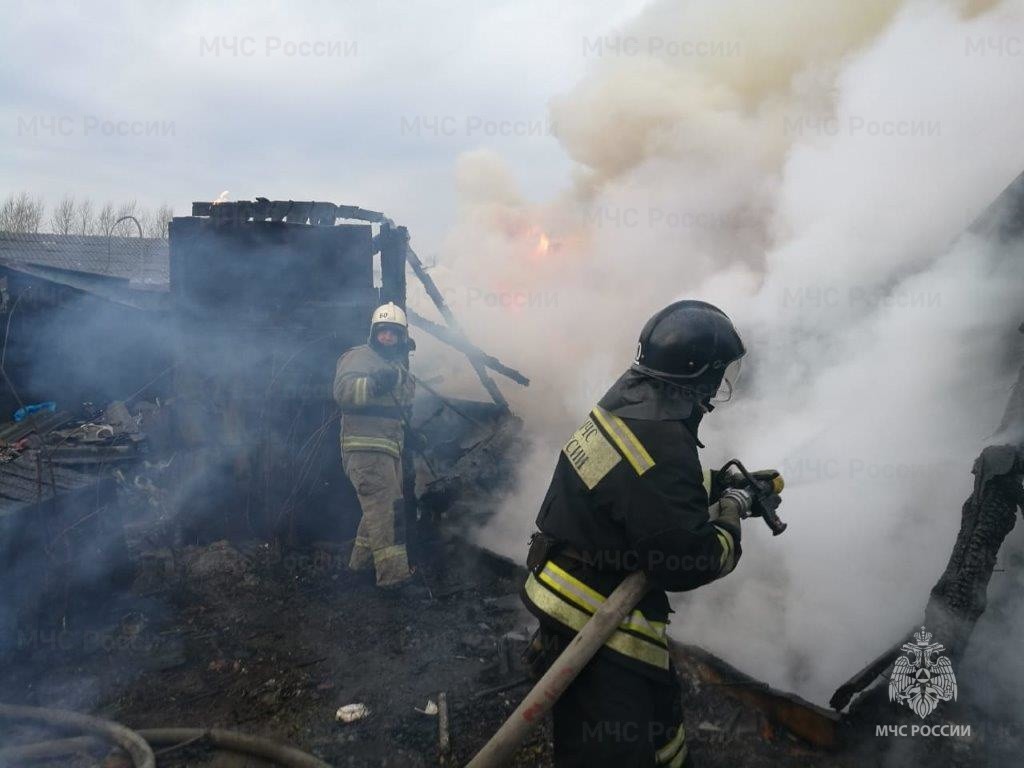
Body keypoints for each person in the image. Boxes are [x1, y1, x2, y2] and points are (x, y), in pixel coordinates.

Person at [521, 300, 777, 767]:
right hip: (593, 613)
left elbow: (634, 485)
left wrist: (717, 483)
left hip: (561, 579)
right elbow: (691, 560)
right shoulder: (661, 439)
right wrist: (732, 512)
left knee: (656, 718)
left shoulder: (628, 401)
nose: (720, 384)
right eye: (719, 373)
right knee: (611, 750)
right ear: (698, 373)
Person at [333, 302, 416, 588]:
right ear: (373, 333)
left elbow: (397, 411)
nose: (387, 337)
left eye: (393, 333)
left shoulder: (396, 367)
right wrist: (373, 384)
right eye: (383, 331)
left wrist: (410, 434)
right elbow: (342, 393)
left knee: (378, 511)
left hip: (388, 450)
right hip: (365, 450)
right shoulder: (359, 357)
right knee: (387, 513)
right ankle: (394, 579)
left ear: (402, 337)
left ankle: (359, 568)